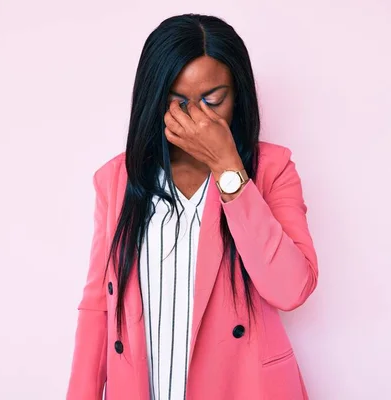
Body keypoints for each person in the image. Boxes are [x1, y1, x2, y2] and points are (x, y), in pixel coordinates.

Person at [66, 13, 318, 400]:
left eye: (213, 100)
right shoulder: (116, 180)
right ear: (155, 101)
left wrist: (228, 169)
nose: (197, 116)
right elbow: (98, 308)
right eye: (179, 102)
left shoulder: (272, 170)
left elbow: (291, 288)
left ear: (239, 95)